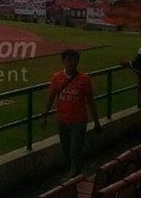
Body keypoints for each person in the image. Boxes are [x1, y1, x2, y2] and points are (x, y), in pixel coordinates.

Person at [41, 49, 101, 177]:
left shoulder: (84, 79)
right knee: (66, 149)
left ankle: (73, 175)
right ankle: (74, 171)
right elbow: (50, 98)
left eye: (75, 60)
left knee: (75, 150)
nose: (72, 63)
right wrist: (44, 116)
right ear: (63, 61)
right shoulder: (56, 78)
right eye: (69, 60)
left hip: (78, 121)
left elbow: (90, 101)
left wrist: (96, 121)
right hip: (62, 120)